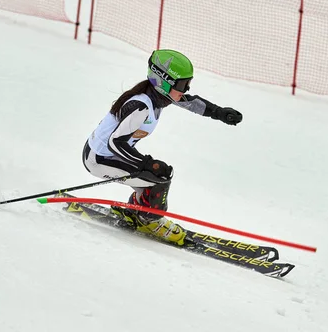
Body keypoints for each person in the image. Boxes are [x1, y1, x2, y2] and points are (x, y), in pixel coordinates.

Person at [82, 49, 242, 245]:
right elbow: (116, 142)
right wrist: (146, 163)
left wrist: (220, 113)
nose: (187, 89)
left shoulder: (157, 96)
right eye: (183, 84)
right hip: (99, 158)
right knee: (160, 178)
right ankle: (149, 220)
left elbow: (191, 103)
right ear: (163, 81)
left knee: (157, 176)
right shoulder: (141, 105)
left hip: (107, 155)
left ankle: (138, 212)